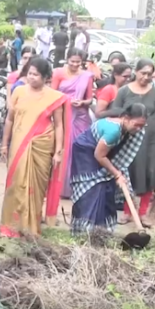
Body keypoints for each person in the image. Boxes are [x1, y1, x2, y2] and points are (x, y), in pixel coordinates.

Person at [0, 57, 69, 236]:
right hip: (18, 144)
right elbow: (9, 119)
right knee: (16, 183)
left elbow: (59, 125)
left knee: (36, 188)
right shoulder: (19, 92)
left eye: (36, 75)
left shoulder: (54, 97)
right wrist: (4, 144)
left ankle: (31, 227)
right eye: (29, 73)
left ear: (46, 77)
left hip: (42, 145)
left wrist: (58, 152)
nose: (31, 77)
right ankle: (11, 226)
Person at [70, 104, 148, 235]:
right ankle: (85, 231)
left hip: (101, 154)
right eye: (137, 124)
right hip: (86, 153)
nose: (139, 129)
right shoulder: (114, 131)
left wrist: (117, 174)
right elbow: (99, 155)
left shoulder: (128, 130)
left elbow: (111, 158)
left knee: (106, 187)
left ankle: (102, 231)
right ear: (126, 118)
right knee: (93, 189)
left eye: (142, 126)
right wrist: (117, 174)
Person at [110, 59, 155, 227]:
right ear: (135, 72)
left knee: (151, 173)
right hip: (129, 138)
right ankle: (128, 211)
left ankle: (143, 213)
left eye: (149, 74)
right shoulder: (123, 92)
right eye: (143, 73)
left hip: (151, 138)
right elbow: (115, 113)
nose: (145, 77)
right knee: (129, 173)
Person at [51, 48, 93, 199]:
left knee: (78, 149)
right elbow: (52, 94)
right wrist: (66, 100)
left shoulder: (87, 76)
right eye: (72, 61)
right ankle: (59, 186)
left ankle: (76, 186)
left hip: (80, 117)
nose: (75, 65)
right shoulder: (58, 73)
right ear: (67, 60)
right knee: (62, 148)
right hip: (62, 115)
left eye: (78, 62)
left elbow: (90, 99)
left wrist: (81, 102)